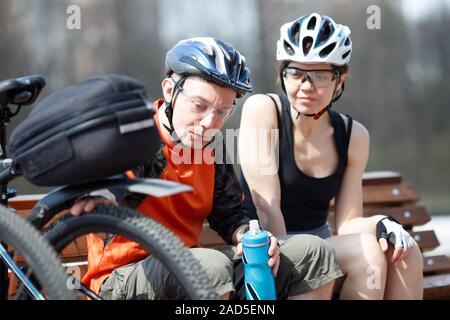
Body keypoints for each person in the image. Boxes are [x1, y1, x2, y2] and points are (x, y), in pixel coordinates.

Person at [70, 37, 343, 300]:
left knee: (313, 252)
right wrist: (102, 194)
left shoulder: (212, 148)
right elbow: (110, 180)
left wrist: (252, 237)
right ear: (169, 91)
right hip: (123, 278)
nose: (209, 123)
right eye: (199, 106)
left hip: (194, 269)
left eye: (222, 111)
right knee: (209, 267)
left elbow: (229, 215)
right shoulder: (137, 136)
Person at [238, 13, 424, 299]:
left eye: (321, 75)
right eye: (296, 73)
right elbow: (267, 208)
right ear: (282, 74)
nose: (307, 86)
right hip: (271, 250)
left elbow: (348, 223)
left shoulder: (353, 135)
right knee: (368, 256)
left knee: (405, 249)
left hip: (328, 247)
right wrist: (298, 262)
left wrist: (383, 223)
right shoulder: (263, 111)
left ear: (340, 80)